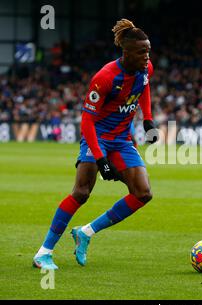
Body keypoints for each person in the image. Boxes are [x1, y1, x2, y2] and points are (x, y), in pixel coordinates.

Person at [33, 18, 157, 269]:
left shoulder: (145, 69)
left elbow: (144, 87)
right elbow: (87, 121)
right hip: (97, 137)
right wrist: (100, 159)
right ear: (126, 52)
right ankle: (43, 253)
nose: (147, 56)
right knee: (81, 192)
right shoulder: (105, 78)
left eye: (148, 51)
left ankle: (86, 232)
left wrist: (148, 120)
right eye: (142, 52)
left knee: (143, 193)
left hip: (122, 139)